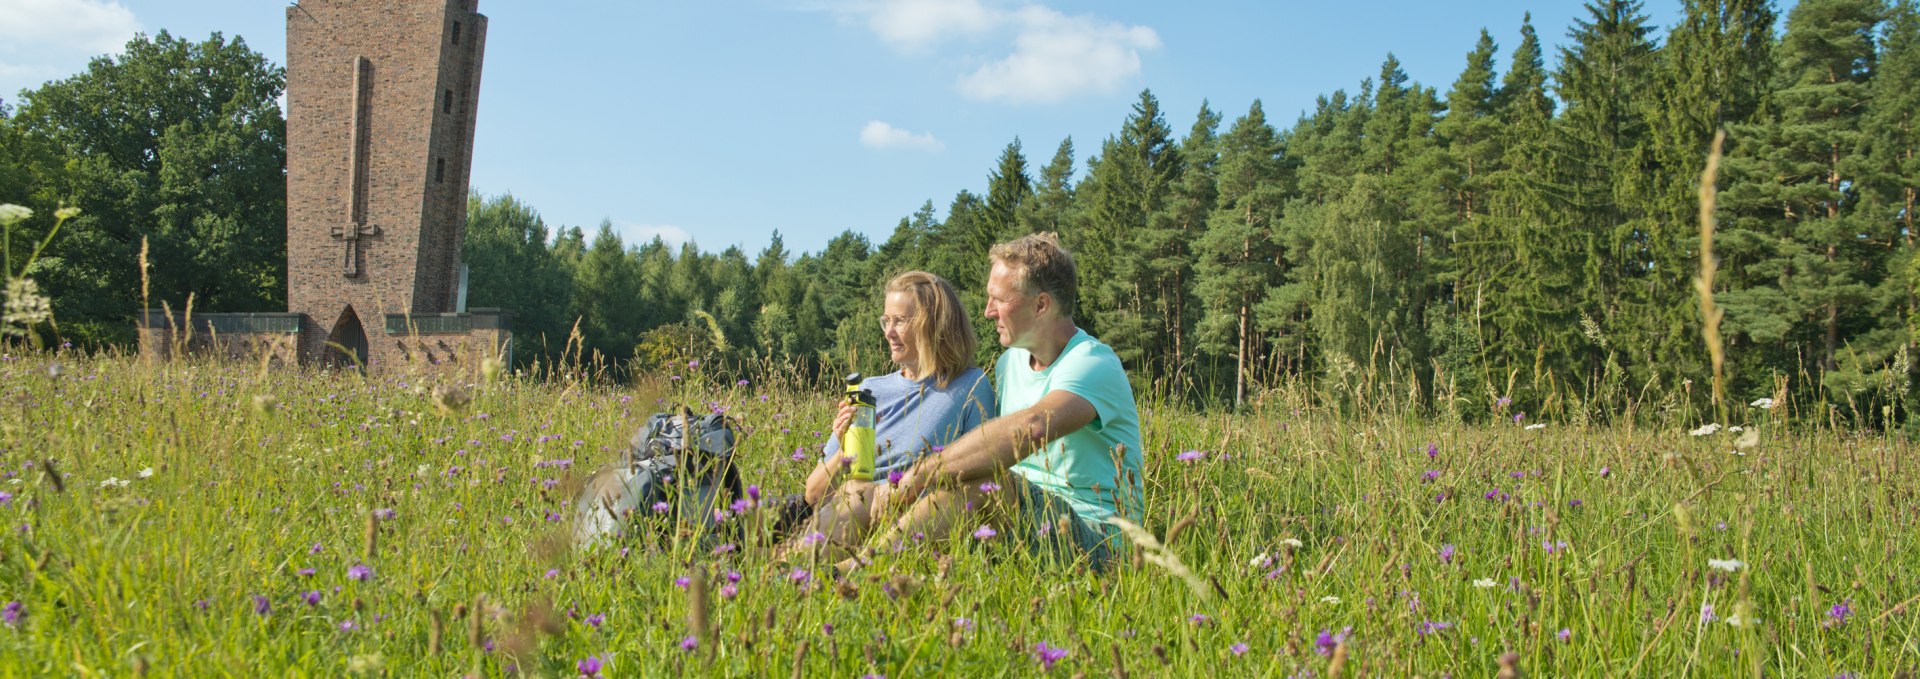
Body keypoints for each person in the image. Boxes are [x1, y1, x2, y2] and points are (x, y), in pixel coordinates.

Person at [871, 232, 1142, 571]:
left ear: (1041, 305)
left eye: (998, 299)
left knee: (986, 485)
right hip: (1025, 525)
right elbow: (990, 448)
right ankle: (850, 565)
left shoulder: (1092, 363)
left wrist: (919, 475)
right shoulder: (1009, 363)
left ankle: (866, 572)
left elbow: (1029, 428)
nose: (987, 312)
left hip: (1099, 543)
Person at [776, 271, 995, 562]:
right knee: (856, 492)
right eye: (886, 320)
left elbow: (980, 477)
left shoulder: (970, 386)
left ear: (934, 324)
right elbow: (814, 494)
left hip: (916, 522)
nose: (888, 332)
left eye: (900, 321)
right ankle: (792, 572)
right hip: (850, 513)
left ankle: (807, 571)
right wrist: (843, 448)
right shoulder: (869, 390)